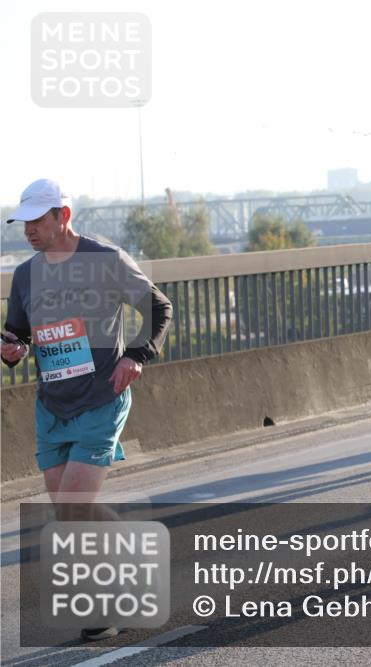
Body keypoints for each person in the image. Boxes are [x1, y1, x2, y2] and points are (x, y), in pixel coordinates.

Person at [2, 178, 173, 641]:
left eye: (39, 220)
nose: (30, 231)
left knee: (74, 508)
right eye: (24, 222)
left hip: (101, 397)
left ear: (64, 216)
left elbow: (159, 309)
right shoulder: (25, 276)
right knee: (70, 512)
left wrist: (136, 357)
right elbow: (15, 333)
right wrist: (11, 350)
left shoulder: (104, 261)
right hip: (52, 405)